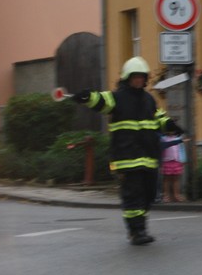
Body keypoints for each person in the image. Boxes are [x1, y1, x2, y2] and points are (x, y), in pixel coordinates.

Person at [73, 56, 184, 245]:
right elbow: (101, 100)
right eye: (135, 76)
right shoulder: (117, 98)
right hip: (127, 157)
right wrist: (87, 96)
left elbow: (159, 118)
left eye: (141, 77)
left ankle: (140, 226)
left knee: (148, 195)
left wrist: (170, 126)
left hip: (149, 157)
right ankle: (136, 231)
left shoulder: (149, 100)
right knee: (133, 195)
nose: (138, 80)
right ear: (127, 77)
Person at [160, 130, 186, 202]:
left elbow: (182, 150)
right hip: (166, 161)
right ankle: (166, 196)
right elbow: (161, 150)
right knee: (167, 179)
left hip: (176, 161)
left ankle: (176, 195)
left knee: (176, 179)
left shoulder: (178, 138)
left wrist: (183, 159)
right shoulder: (163, 138)